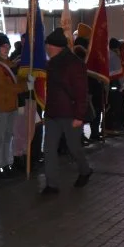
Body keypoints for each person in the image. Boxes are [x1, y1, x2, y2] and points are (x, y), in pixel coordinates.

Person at [42, 28, 92, 194]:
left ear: (55, 46)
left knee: (74, 147)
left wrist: (79, 115)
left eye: (48, 46)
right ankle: (51, 184)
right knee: (49, 149)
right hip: (53, 114)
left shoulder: (74, 64)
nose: (46, 49)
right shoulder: (52, 63)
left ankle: (85, 170)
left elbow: (81, 91)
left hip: (70, 114)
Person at [0, 33, 27, 178]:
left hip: (11, 105)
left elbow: (17, 80)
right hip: (1, 105)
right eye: (3, 46)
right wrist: (24, 87)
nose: (6, 49)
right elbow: (4, 86)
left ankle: (5, 163)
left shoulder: (9, 64)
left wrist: (24, 81)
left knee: (7, 136)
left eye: (8, 46)